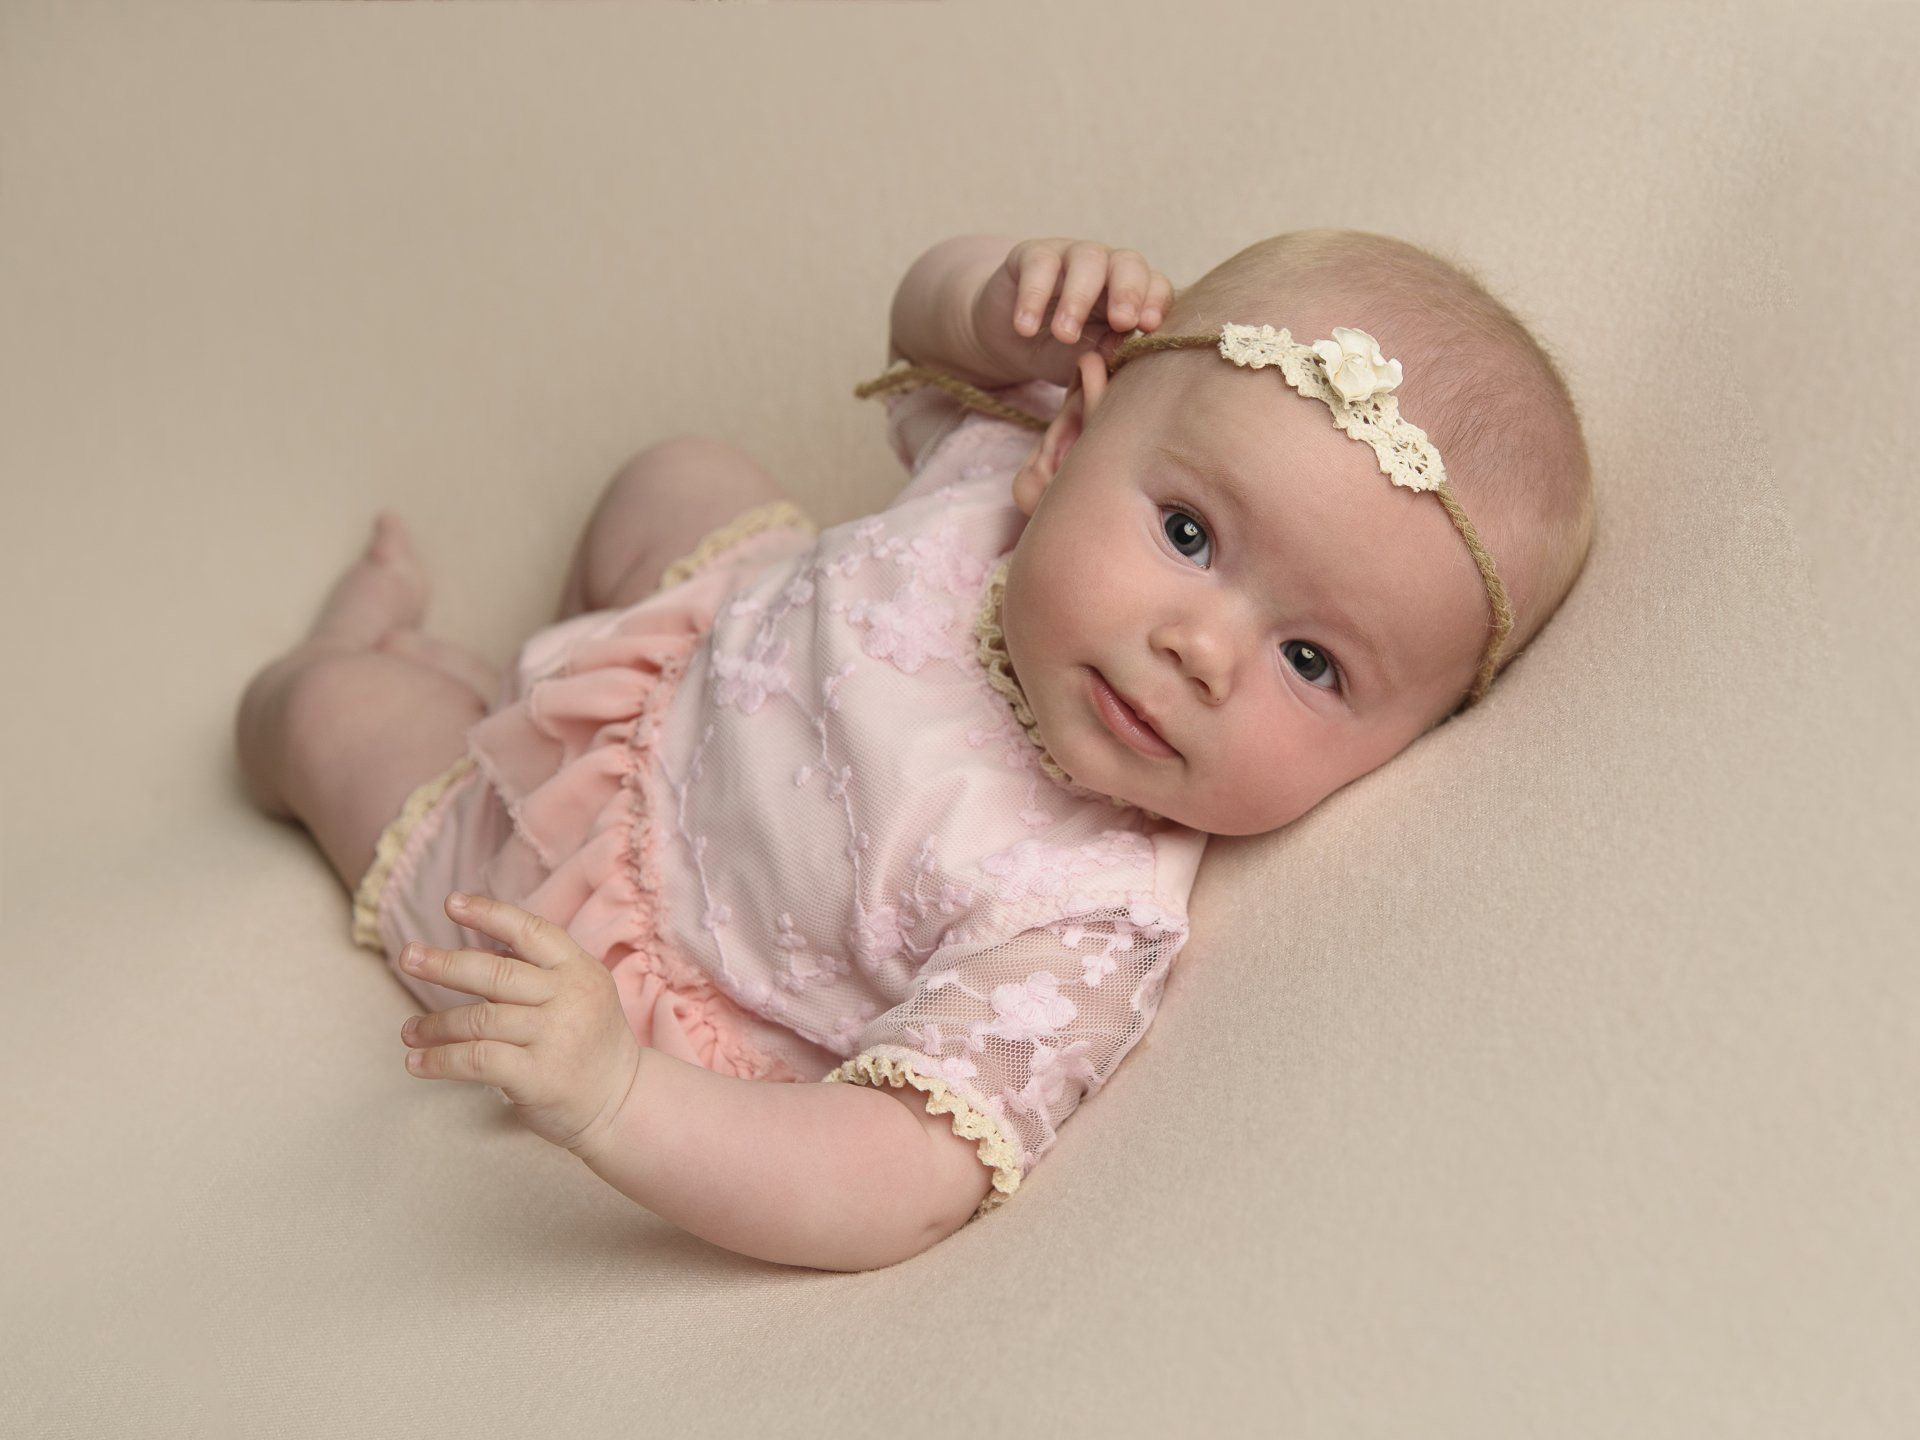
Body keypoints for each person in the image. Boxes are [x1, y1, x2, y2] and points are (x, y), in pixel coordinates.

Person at [233, 230, 1595, 1272]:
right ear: (1067, 443)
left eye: (1313, 662)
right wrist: (994, 300)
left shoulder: (1078, 919)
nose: (1202, 651)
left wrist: (614, 1091)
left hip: (623, 918)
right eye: (1188, 534)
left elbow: (892, 1176)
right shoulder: (1000, 477)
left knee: (327, 718)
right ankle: (533, 686)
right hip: (701, 659)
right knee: (674, 475)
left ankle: (356, 667)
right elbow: (925, 338)